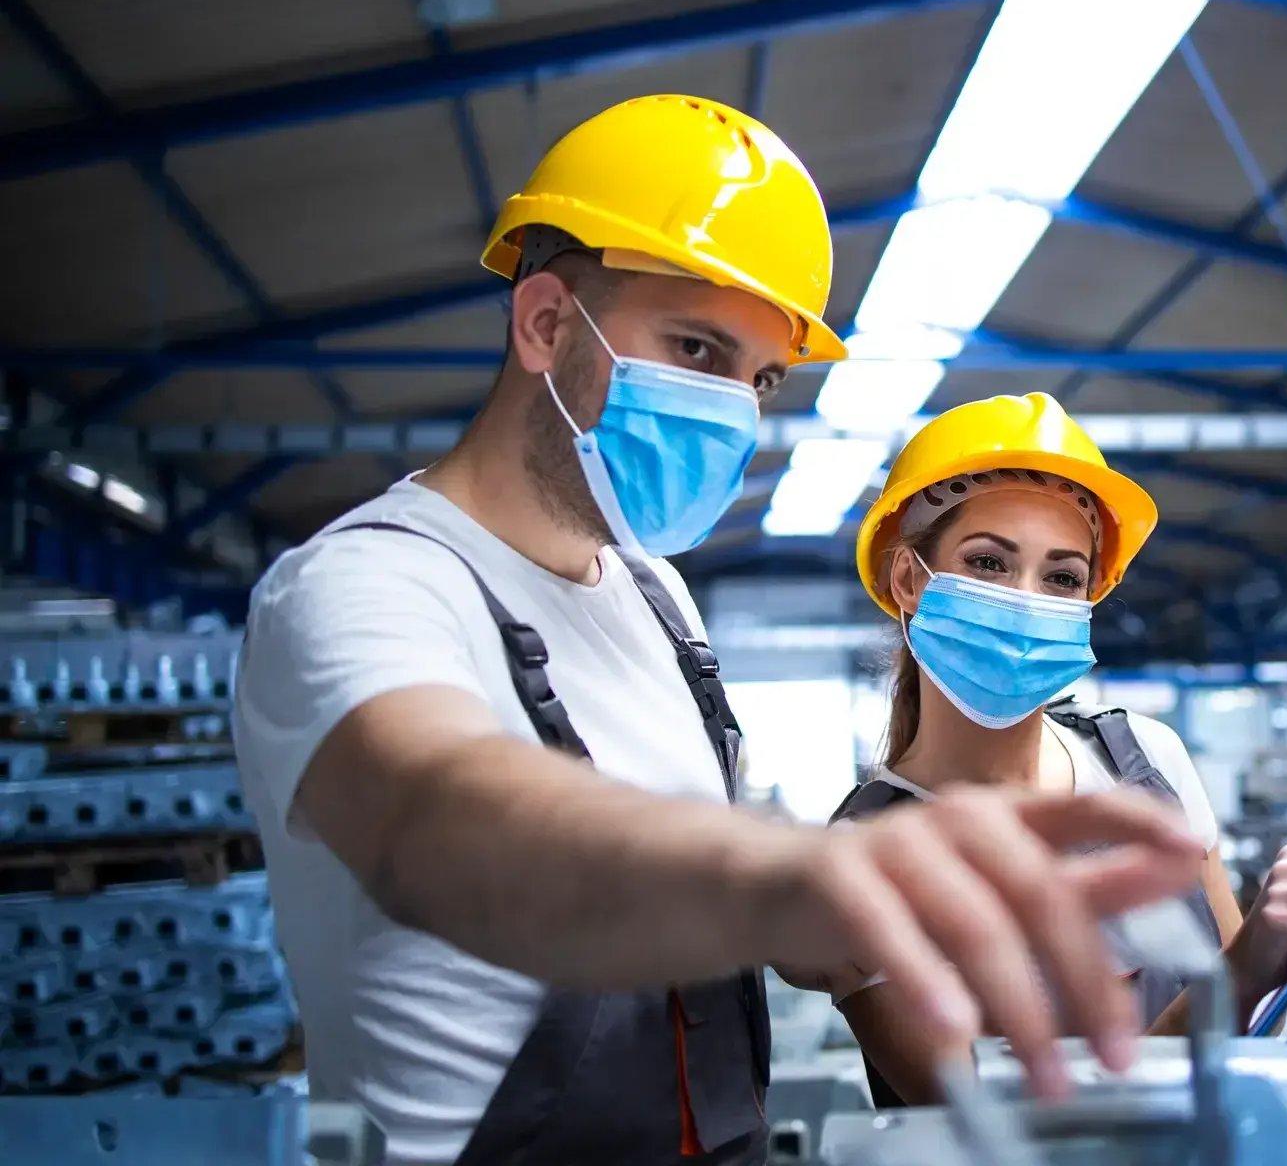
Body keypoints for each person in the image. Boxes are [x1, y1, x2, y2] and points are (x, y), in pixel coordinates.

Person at [231, 97, 1213, 1166]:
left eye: (759, 378)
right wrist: (793, 882)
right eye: (695, 348)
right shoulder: (365, 586)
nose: (733, 411)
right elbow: (446, 818)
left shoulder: (657, 603)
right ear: (546, 322)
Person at [827, 393, 1287, 1106]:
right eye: (988, 564)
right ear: (910, 580)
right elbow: (1017, 1131)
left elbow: (1245, 1027)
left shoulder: (1147, 758)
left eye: (1062, 577)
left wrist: (1284, 957)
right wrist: (1242, 973)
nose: (1027, 601)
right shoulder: (864, 860)